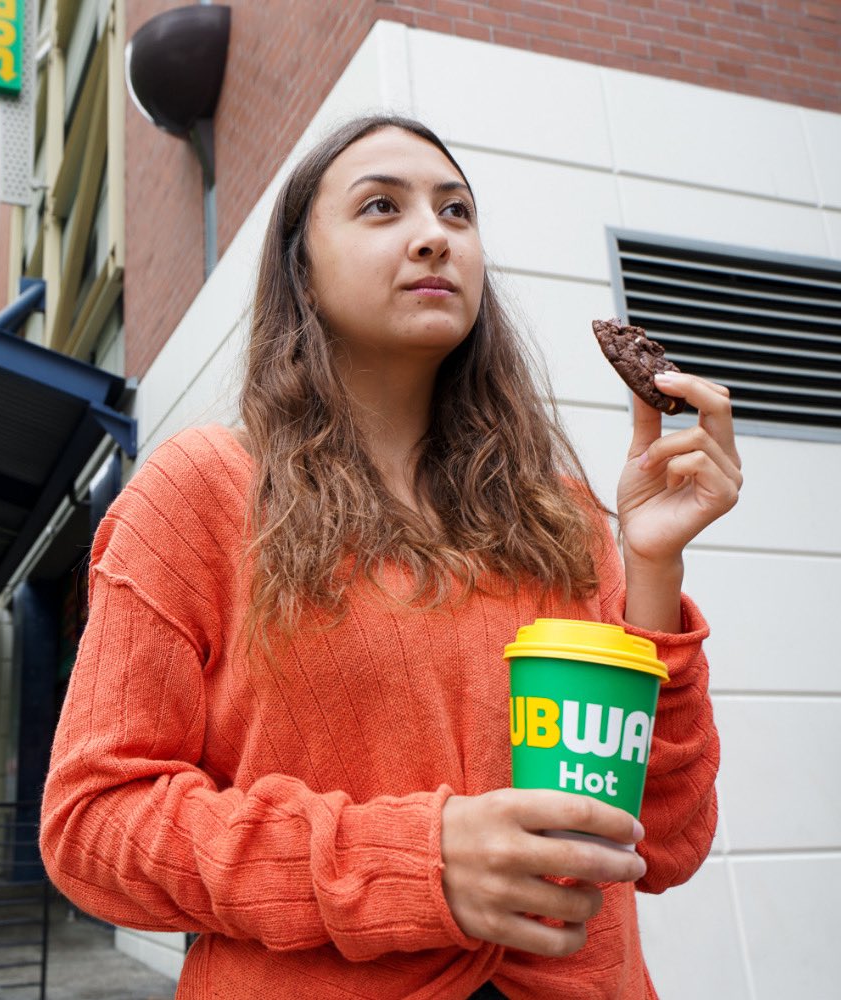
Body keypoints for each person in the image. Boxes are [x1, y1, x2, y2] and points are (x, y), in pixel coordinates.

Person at [39, 114, 742, 998]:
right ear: (301, 267)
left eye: (457, 211)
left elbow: (664, 839)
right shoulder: (201, 494)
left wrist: (653, 570)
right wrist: (416, 860)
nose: (433, 236)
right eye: (381, 206)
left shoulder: (557, 513)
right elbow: (92, 822)